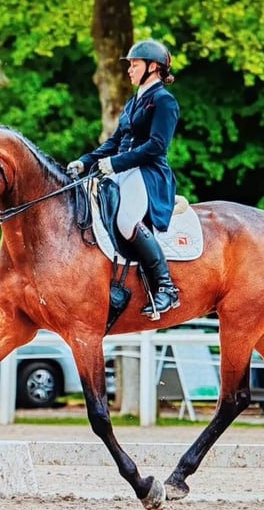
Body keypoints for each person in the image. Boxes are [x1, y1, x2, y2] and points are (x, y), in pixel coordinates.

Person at [67, 39, 180, 318]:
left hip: (148, 173)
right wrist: (86, 161)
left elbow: (156, 146)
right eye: (130, 64)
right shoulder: (134, 101)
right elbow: (115, 140)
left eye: (134, 64)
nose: (129, 70)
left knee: (126, 221)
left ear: (153, 67)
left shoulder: (164, 101)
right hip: (121, 171)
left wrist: (115, 164)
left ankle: (166, 287)